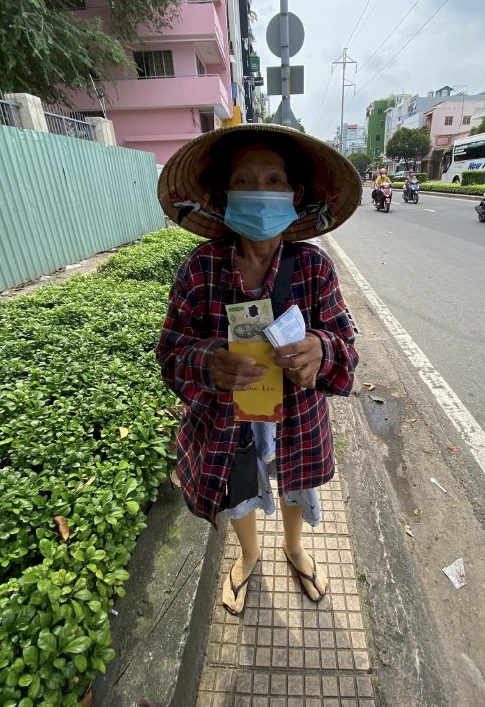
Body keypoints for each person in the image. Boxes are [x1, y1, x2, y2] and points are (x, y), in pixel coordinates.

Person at [156, 124, 360, 616]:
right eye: (246, 181)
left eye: (274, 180)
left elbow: (347, 349)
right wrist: (208, 362)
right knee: (238, 489)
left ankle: (293, 548)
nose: (261, 193)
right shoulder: (200, 268)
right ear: (225, 196)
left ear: (296, 194)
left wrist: (321, 349)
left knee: (296, 485)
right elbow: (171, 350)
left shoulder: (314, 269)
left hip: (297, 420)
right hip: (228, 423)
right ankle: (249, 556)